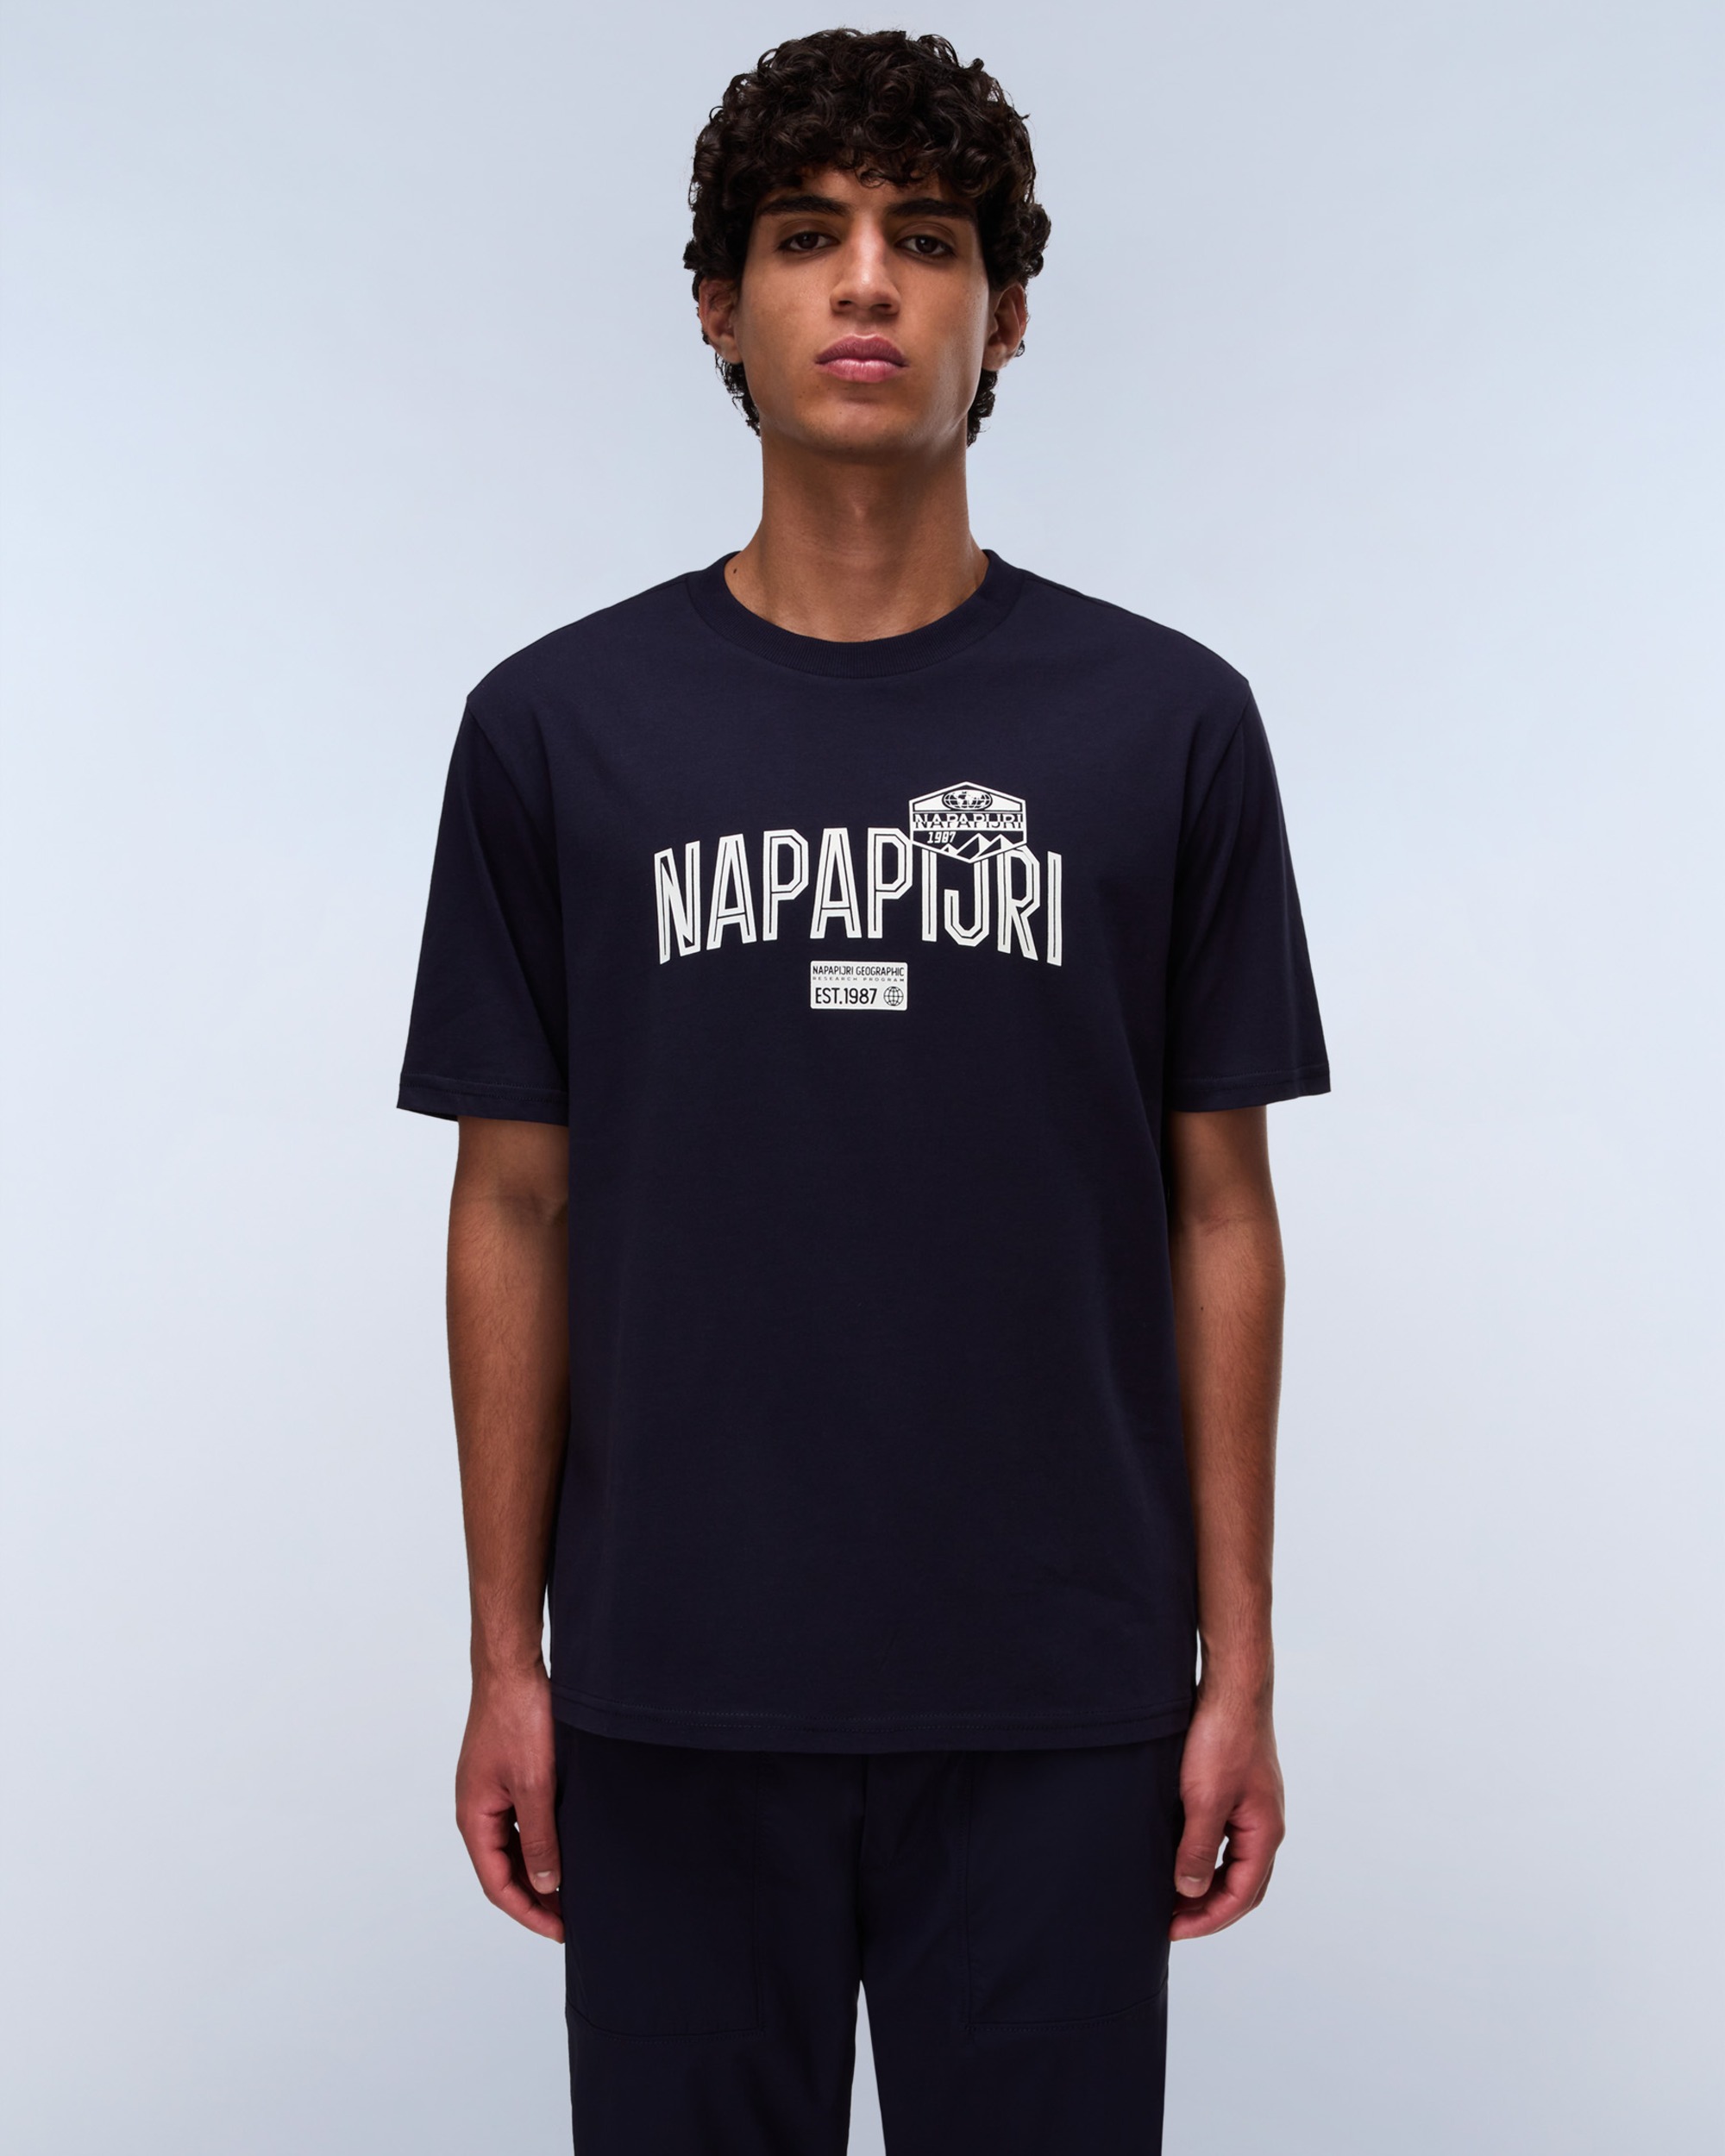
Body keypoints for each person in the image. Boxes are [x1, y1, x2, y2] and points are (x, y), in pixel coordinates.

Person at [398, 27, 1328, 2154]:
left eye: (927, 237)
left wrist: (1241, 1665)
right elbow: (511, 1201)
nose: (867, 283)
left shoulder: (1165, 724)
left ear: (1006, 312)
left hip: (1062, 1686)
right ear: (717, 305)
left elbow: (1220, 1208)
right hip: (671, 1679)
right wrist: (505, 1657)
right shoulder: (556, 729)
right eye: (805, 234)